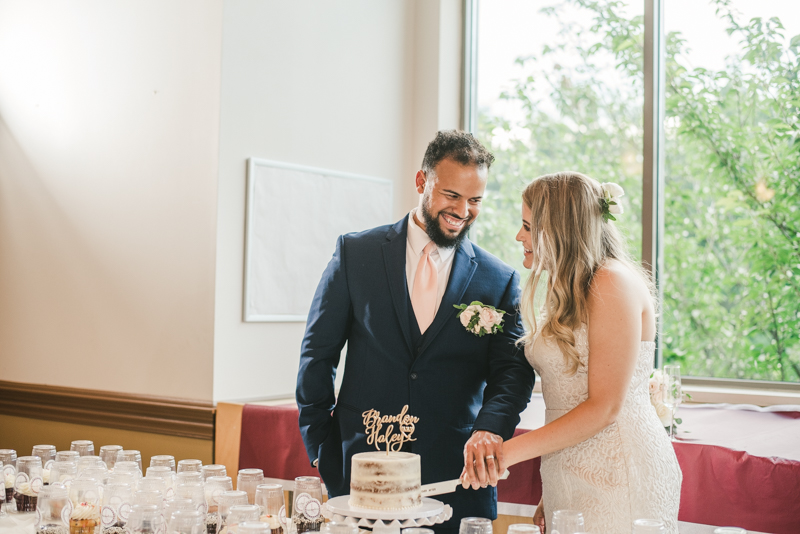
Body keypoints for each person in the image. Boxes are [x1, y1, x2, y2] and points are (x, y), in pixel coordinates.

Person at [296, 130, 535, 532]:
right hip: (362, 478)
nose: (463, 210)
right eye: (452, 195)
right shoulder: (356, 254)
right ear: (422, 182)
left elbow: (512, 374)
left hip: (458, 482)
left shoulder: (500, 280)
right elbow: (317, 356)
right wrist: (321, 449)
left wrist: (490, 429)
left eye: (475, 200)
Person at [462, 172, 682, 533]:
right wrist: (552, 490)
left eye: (528, 226)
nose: (520, 236)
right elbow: (569, 394)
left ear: (559, 229)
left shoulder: (612, 281)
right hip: (571, 472)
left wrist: (504, 454)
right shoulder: (571, 287)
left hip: (620, 474)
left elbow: (605, 406)